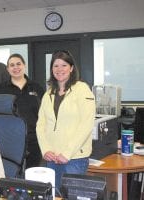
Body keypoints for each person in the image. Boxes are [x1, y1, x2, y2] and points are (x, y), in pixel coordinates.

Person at [36, 50, 95, 190]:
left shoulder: (82, 89)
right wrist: (45, 149)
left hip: (74, 158)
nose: (59, 69)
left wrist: (67, 153)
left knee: (72, 195)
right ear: (51, 69)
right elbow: (41, 124)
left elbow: (86, 125)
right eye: (55, 66)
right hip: (52, 157)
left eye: (64, 65)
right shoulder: (48, 93)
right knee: (54, 196)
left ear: (71, 68)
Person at [0, 53, 44, 168]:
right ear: (7, 69)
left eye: (18, 64)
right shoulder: (0, 89)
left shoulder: (37, 88)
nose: (15, 67)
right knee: (12, 177)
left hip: (33, 141)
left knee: (32, 178)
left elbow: (45, 114)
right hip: (10, 141)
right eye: (12, 65)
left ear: (24, 65)